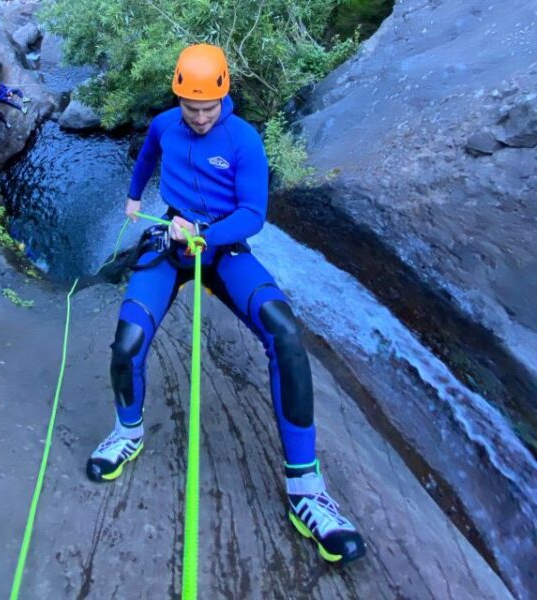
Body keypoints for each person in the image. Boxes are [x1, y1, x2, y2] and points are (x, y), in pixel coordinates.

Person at [85, 44, 366, 565]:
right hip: (171, 240)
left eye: (206, 109)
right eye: (190, 108)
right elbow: (148, 156)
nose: (197, 118)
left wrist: (205, 233)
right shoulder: (165, 124)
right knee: (127, 342)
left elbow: (253, 213)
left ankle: (307, 492)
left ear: (223, 95)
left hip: (222, 245)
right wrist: (132, 196)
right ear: (179, 97)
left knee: (284, 333)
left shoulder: (244, 140)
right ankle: (127, 433)